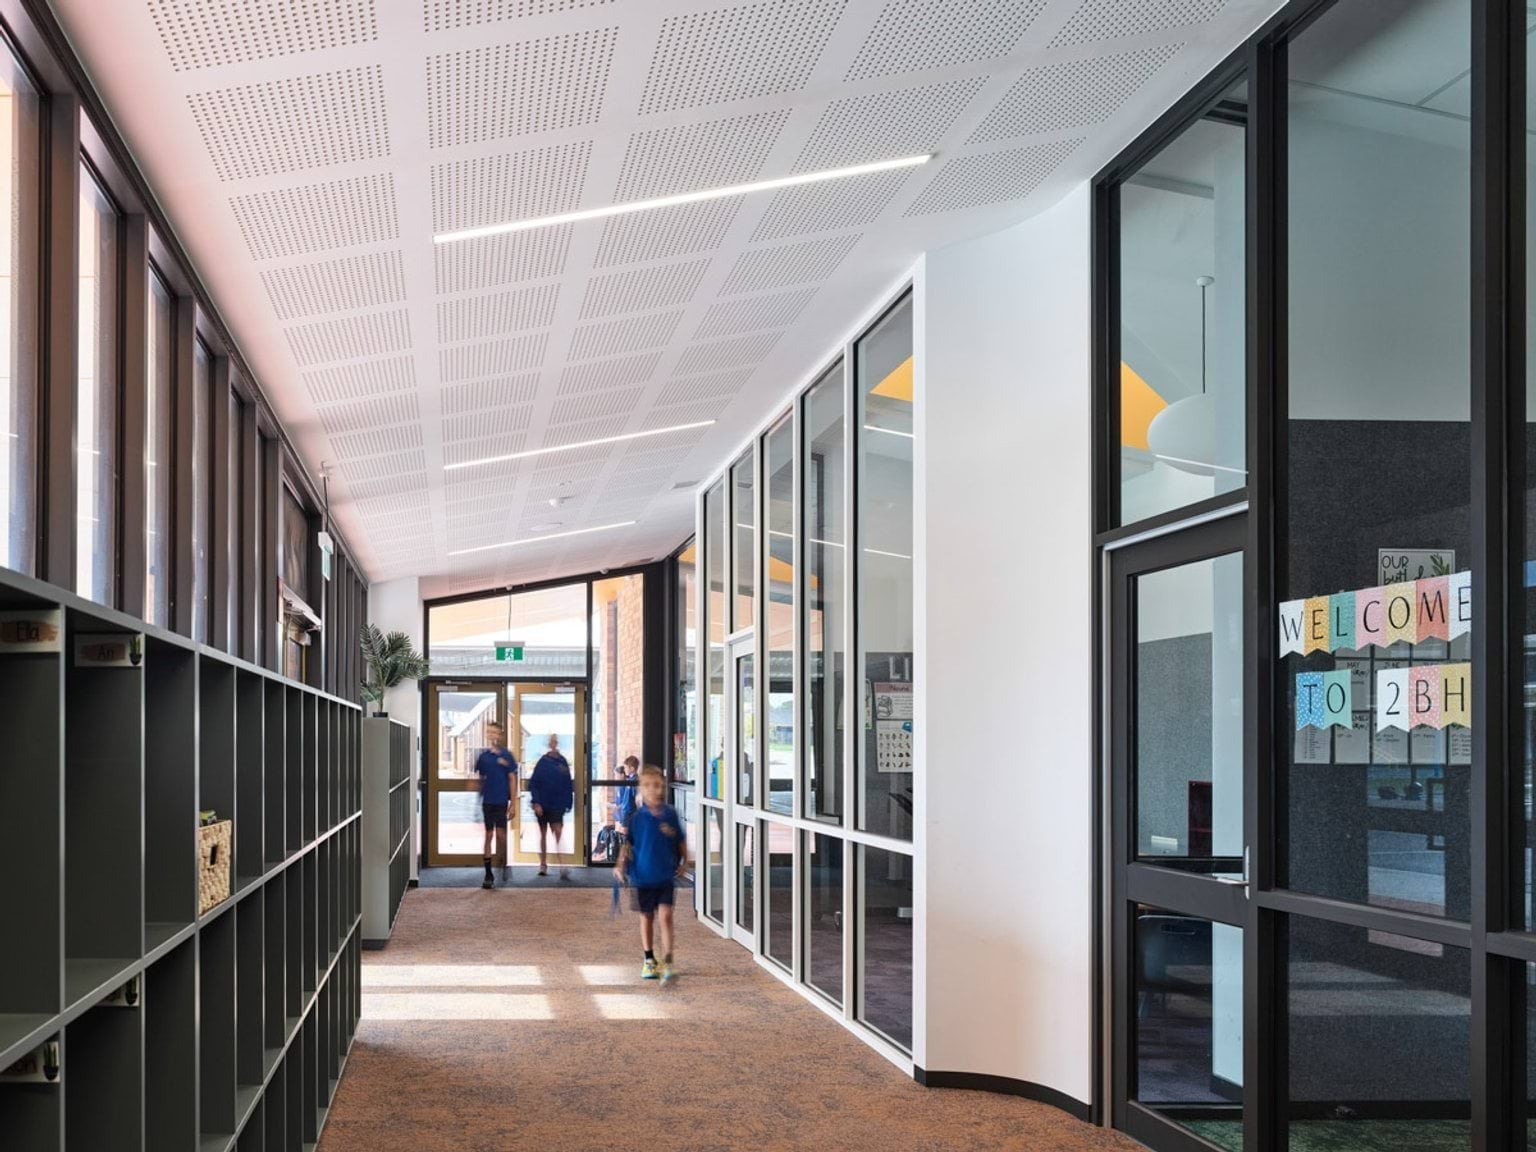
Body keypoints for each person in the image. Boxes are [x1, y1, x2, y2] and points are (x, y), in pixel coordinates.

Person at [615, 764, 688, 982]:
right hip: (642, 878)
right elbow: (628, 844)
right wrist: (620, 865)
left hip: (664, 876)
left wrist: (685, 861)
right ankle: (649, 959)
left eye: (657, 785)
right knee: (646, 917)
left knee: (666, 916)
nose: (653, 790)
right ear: (641, 789)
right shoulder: (637, 817)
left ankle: (668, 960)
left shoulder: (670, 814)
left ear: (662, 787)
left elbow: (680, 840)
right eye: (647, 786)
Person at [472, 722, 517, 890]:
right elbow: (479, 779)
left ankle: (503, 862)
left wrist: (513, 804)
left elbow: (512, 779)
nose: (491, 735)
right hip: (487, 802)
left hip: (501, 801)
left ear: (500, 735)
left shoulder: (507, 756)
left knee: (501, 835)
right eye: (489, 732)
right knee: (489, 835)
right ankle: (488, 874)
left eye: (494, 732)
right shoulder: (483, 757)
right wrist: (476, 795)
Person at [528, 732, 575, 878]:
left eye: (555, 741)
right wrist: (536, 802)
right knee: (543, 834)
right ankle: (543, 864)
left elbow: (568, 784)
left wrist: (568, 802)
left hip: (557, 805)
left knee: (558, 832)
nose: (553, 743)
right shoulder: (543, 762)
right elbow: (534, 783)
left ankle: (563, 865)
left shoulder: (562, 761)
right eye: (551, 741)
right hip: (542, 804)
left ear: (557, 743)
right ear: (549, 743)